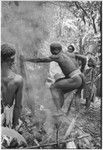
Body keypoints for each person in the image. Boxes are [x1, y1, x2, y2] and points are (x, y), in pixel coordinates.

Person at [23, 43, 86, 115]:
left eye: (51, 50)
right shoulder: (65, 54)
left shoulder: (58, 56)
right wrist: (82, 69)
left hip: (75, 79)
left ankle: (59, 110)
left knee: (53, 87)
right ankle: (59, 110)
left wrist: (26, 59)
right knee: (60, 91)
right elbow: (83, 58)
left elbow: (41, 59)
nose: (51, 52)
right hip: (79, 77)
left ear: (56, 50)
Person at [1, 44, 23, 129]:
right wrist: (14, 125)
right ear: (12, 60)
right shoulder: (18, 80)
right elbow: (18, 106)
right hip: (6, 119)